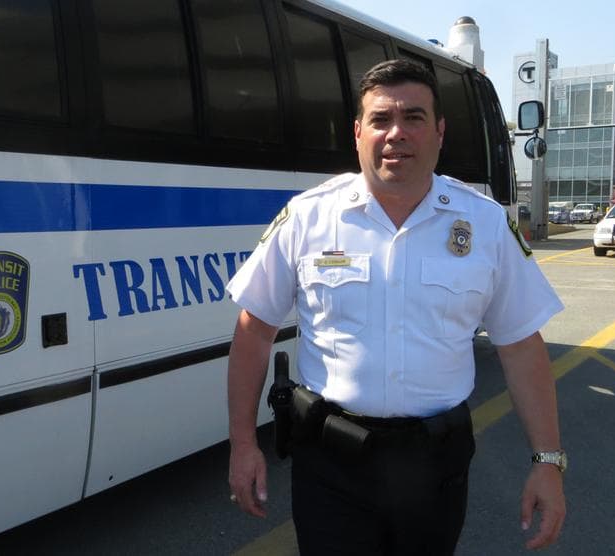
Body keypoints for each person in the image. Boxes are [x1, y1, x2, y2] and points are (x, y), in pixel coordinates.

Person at [226, 59, 566, 555]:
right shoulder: (308, 218)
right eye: (381, 120)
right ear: (358, 132)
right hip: (329, 462)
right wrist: (242, 444)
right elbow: (253, 330)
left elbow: (520, 347)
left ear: (440, 132)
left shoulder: (486, 226)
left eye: (414, 117)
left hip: (435, 465)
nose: (396, 134)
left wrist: (548, 461)